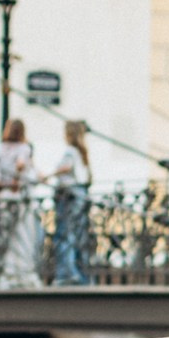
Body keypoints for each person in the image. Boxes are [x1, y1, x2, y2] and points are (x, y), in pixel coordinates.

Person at [0, 118, 43, 289]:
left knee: (5, 235)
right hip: (18, 196)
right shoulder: (24, 149)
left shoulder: (0, 148)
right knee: (23, 235)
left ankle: (5, 272)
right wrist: (15, 181)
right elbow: (20, 165)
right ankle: (21, 273)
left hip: (4, 196)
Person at [49, 118, 93, 286]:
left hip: (68, 196)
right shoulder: (82, 152)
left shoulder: (70, 151)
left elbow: (66, 167)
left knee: (64, 234)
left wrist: (49, 175)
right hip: (79, 195)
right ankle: (82, 274)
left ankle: (67, 273)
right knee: (78, 234)